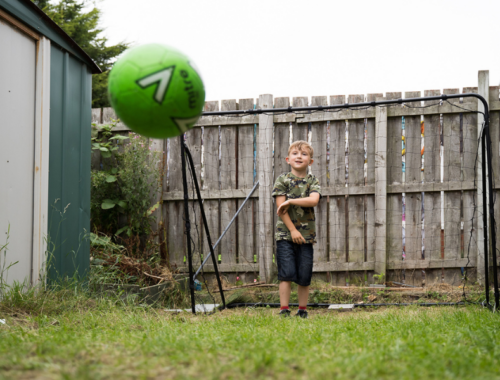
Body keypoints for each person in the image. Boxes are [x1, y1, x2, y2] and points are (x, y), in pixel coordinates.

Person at [272, 140, 321, 318]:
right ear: (288, 159)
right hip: (285, 234)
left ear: (311, 161)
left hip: (307, 236)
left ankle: (302, 310)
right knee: (286, 272)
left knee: (304, 273)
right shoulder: (282, 180)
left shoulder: (312, 181)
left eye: (304, 154)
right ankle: (284, 310)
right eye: (295, 153)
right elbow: (281, 209)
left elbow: (314, 200)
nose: (299, 156)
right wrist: (293, 230)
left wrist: (291, 200)